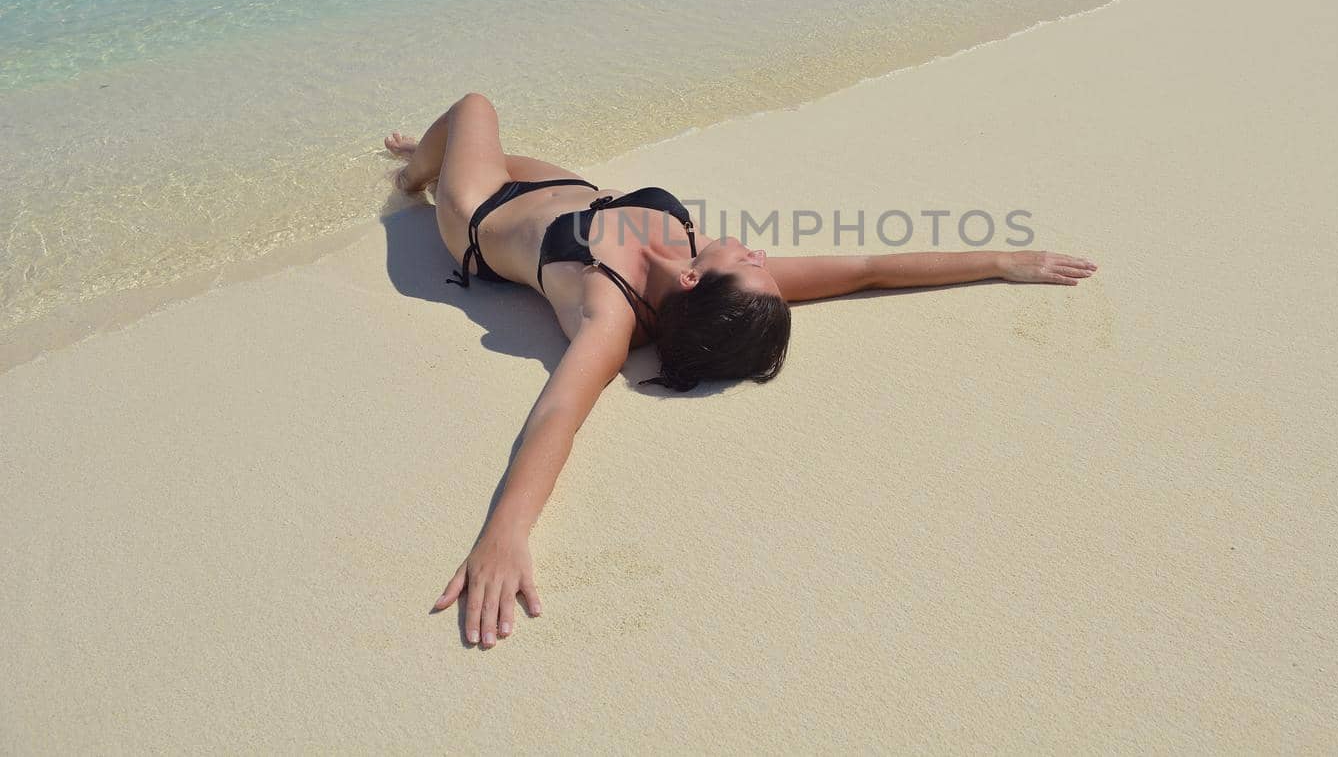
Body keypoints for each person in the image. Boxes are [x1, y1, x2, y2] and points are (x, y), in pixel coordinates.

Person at [385, 93, 1098, 648]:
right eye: (761, 268)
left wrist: (506, 532)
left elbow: (558, 414)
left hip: (478, 215)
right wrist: (1003, 262)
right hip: (571, 190)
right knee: (505, 150)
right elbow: (867, 269)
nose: (761, 257)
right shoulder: (712, 283)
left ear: (694, 282)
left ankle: (416, 174)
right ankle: (440, 152)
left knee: (476, 109)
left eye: (751, 266)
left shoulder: (609, 310)